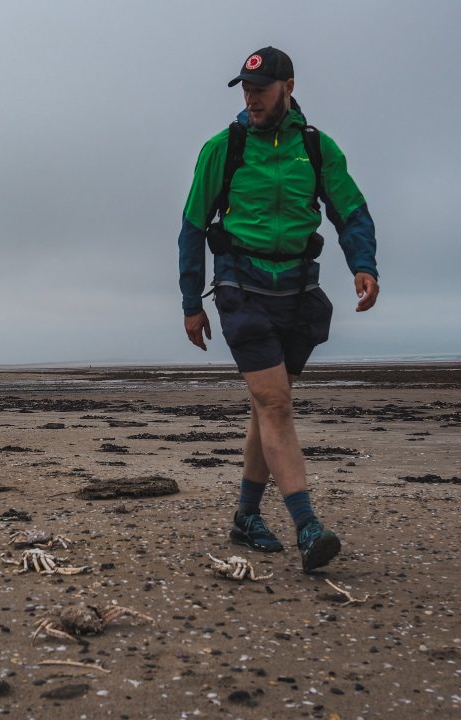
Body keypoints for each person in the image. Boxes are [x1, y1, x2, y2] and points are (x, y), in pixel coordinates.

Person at [178, 47, 379, 573]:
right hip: (239, 286)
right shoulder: (224, 148)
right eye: (246, 90)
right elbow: (193, 227)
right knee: (276, 404)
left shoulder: (316, 149)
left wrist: (364, 264)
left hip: (297, 291)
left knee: (268, 406)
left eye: (261, 89)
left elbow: (350, 211)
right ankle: (307, 525)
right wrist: (190, 303)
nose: (252, 98)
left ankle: (245, 517)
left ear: (288, 86)